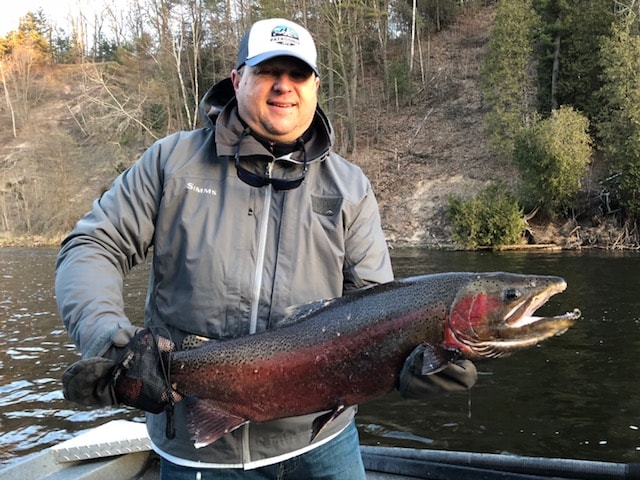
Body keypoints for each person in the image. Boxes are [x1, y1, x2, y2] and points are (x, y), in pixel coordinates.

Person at [55, 18, 477, 480]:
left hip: (322, 440)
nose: (283, 86)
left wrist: (415, 363)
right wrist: (110, 339)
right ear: (238, 80)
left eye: (298, 74)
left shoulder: (349, 187)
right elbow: (92, 244)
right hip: (197, 447)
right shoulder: (171, 163)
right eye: (268, 71)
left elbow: (377, 307)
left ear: (315, 87)